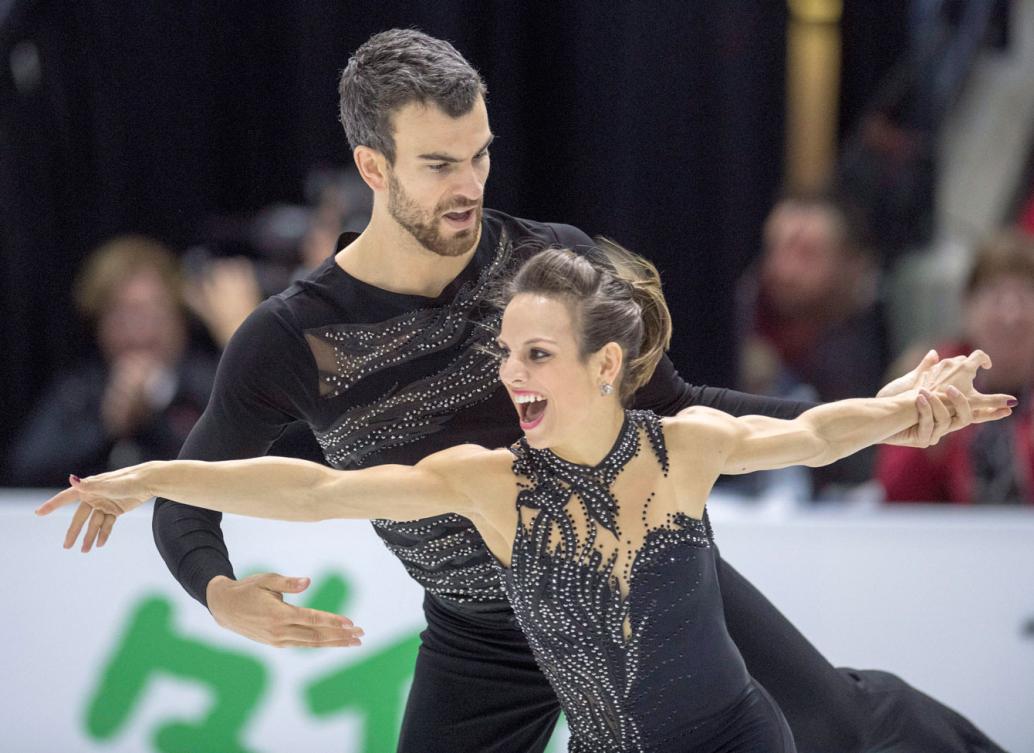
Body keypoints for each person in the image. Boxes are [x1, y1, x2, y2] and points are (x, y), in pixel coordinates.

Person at [77, 29, 1011, 753]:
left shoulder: (548, 262)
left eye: (479, 154)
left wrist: (885, 415)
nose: (470, 184)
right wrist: (218, 591)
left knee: (840, 730)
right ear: (373, 167)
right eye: (440, 164)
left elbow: (677, 409)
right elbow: (189, 490)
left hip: (643, 574)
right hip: (484, 632)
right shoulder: (292, 337)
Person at [39, 245, 1013, 753]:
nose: (506, 374)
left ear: (603, 364)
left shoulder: (678, 448)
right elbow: (308, 489)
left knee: (842, 721)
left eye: (532, 355)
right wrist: (156, 477)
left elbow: (806, 435)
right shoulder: (490, 481)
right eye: (505, 352)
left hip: (720, 732)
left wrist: (893, 414)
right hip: (558, 699)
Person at [5, 235, 217, 487]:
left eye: (152, 314)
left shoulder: (214, 384)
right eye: (122, 316)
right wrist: (108, 426)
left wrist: (157, 408)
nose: (138, 333)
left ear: (179, 316)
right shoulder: (81, 390)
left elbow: (240, 468)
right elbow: (26, 469)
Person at [736, 192, 888, 496]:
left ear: (852, 265)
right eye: (776, 250)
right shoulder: (738, 326)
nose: (785, 270)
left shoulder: (875, 347)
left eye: (807, 254)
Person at [878, 227, 1034, 504]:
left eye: (1025, 297)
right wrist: (929, 445)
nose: (1011, 315)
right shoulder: (929, 374)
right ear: (967, 306)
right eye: (996, 297)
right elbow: (895, 493)